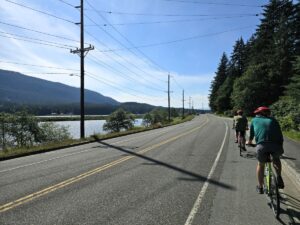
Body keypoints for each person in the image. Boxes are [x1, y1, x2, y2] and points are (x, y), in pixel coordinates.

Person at [246, 106, 284, 194]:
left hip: (262, 146)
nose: (256, 115)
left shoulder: (254, 120)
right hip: (277, 146)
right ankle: (279, 176)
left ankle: (260, 187)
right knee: (276, 159)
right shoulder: (274, 120)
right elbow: (280, 135)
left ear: (260, 113)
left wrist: (250, 142)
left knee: (261, 164)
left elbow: (251, 134)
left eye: (257, 113)